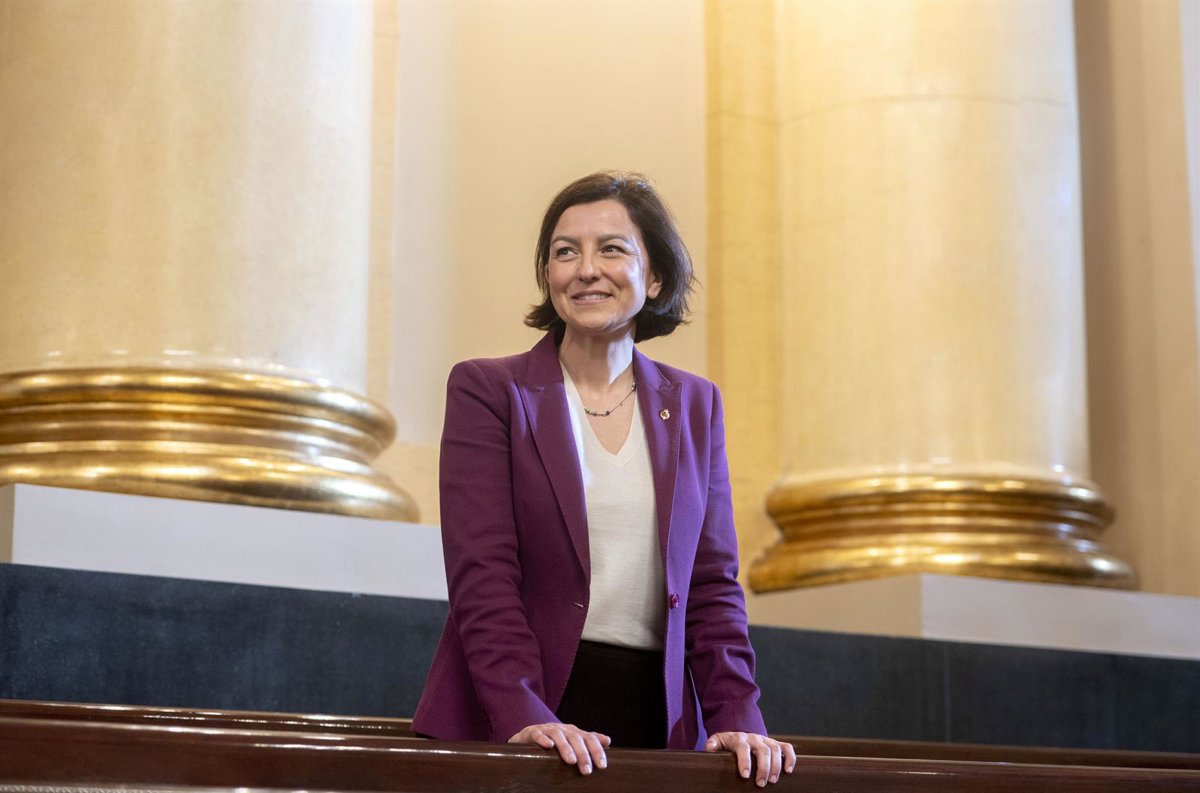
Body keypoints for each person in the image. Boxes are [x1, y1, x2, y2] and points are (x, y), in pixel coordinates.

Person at [412, 171, 796, 786]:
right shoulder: (490, 390)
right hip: (522, 715)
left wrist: (736, 714)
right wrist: (524, 714)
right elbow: (482, 576)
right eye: (566, 252)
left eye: (611, 249)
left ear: (654, 277)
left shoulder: (696, 404)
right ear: (548, 275)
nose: (586, 269)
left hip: (656, 719)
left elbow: (711, 581)